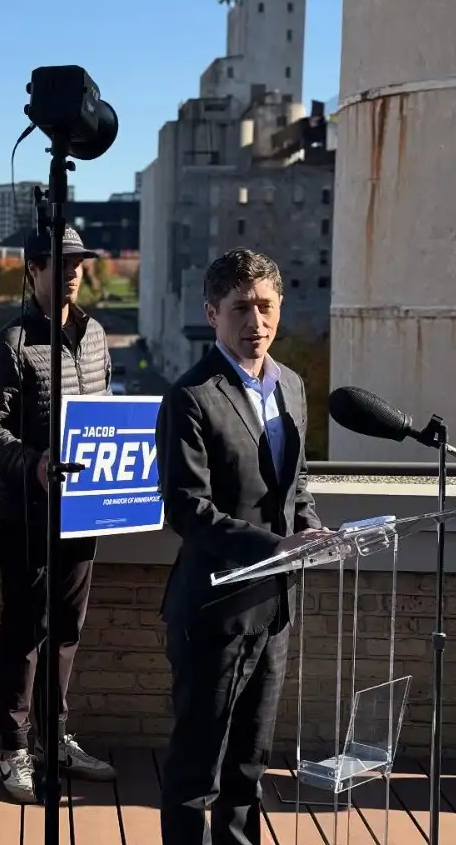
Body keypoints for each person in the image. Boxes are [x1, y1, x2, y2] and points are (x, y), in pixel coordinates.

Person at [155, 249, 331, 845]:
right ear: (212, 313)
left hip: (274, 610)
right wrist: (282, 544)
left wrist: (313, 526)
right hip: (214, 613)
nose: (255, 321)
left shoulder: (293, 386)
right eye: (240, 309)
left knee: (249, 768)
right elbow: (187, 508)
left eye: (265, 306)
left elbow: (295, 484)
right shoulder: (191, 396)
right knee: (197, 772)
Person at [0, 225, 117, 804]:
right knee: (24, 631)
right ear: (31, 269)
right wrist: (32, 464)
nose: (73, 271)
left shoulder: (96, 333)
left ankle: (55, 738)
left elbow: (105, 412)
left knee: (66, 630)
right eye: (60, 262)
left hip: (83, 512)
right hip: (27, 514)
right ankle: (14, 747)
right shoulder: (8, 343)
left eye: (79, 262)